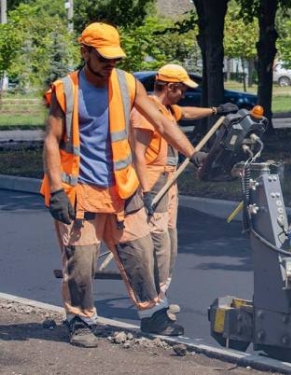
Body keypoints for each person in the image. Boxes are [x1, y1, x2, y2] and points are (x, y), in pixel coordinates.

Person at [41, 22, 205, 348]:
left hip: (121, 189)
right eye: (103, 59)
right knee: (81, 260)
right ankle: (80, 320)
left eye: (114, 59)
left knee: (140, 251)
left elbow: (161, 120)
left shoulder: (127, 84)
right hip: (80, 192)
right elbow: (51, 141)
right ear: (85, 52)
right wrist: (57, 189)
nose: (110, 65)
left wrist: (194, 154)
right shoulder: (66, 90)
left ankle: (153, 314)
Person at [131, 64, 238, 318]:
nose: (183, 94)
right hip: (153, 180)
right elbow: (137, 152)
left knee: (170, 238)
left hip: (169, 179)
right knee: (159, 241)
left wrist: (215, 110)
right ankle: (153, 299)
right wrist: (144, 190)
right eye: (181, 90)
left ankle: (162, 293)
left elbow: (186, 114)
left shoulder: (166, 108)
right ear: (170, 87)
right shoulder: (145, 111)